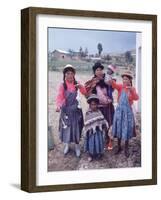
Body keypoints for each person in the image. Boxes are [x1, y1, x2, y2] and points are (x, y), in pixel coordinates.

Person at [56, 64, 87, 157]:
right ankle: (67, 145)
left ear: (74, 74)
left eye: (71, 73)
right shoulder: (62, 85)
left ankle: (77, 146)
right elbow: (59, 96)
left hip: (76, 111)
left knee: (76, 128)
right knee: (66, 129)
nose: (69, 75)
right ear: (65, 75)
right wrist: (58, 105)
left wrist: (81, 86)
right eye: (67, 73)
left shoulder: (77, 83)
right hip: (66, 111)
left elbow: (84, 92)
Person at [85, 62, 115, 150]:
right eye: (97, 70)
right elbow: (87, 94)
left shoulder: (107, 80)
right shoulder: (92, 82)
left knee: (108, 123)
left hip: (108, 106)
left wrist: (111, 86)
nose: (99, 71)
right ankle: (99, 140)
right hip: (98, 107)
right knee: (99, 124)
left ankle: (108, 138)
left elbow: (112, 90)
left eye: (100, 70)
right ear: (94, 72)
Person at [109, 71, 139, 157]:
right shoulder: (120, 87)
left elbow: (136, 98)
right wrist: (110, 78)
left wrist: (132, 91)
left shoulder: (132, 89)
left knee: (126, 129)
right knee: (119, 128)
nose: (124, 80)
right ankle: (119, 147)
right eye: (123, 79)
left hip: (127, 112)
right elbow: (113, 84)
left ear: (129, 80)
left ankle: (126, 148)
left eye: (126, 79)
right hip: (119, 111)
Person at [83, 94, 109, 162]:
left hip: (98, 132)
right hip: (91, 133)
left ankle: (98, 153)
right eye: (92, 104)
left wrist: (104, 126)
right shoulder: (88, 113)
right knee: (91, 143)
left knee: (98, 142)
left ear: (97, 105)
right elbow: (86, 123)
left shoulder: (99, 112)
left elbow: (102, 120)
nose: (94, 106)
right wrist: (88, 129)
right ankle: (90, 154)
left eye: (95, 104)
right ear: (90, 105)